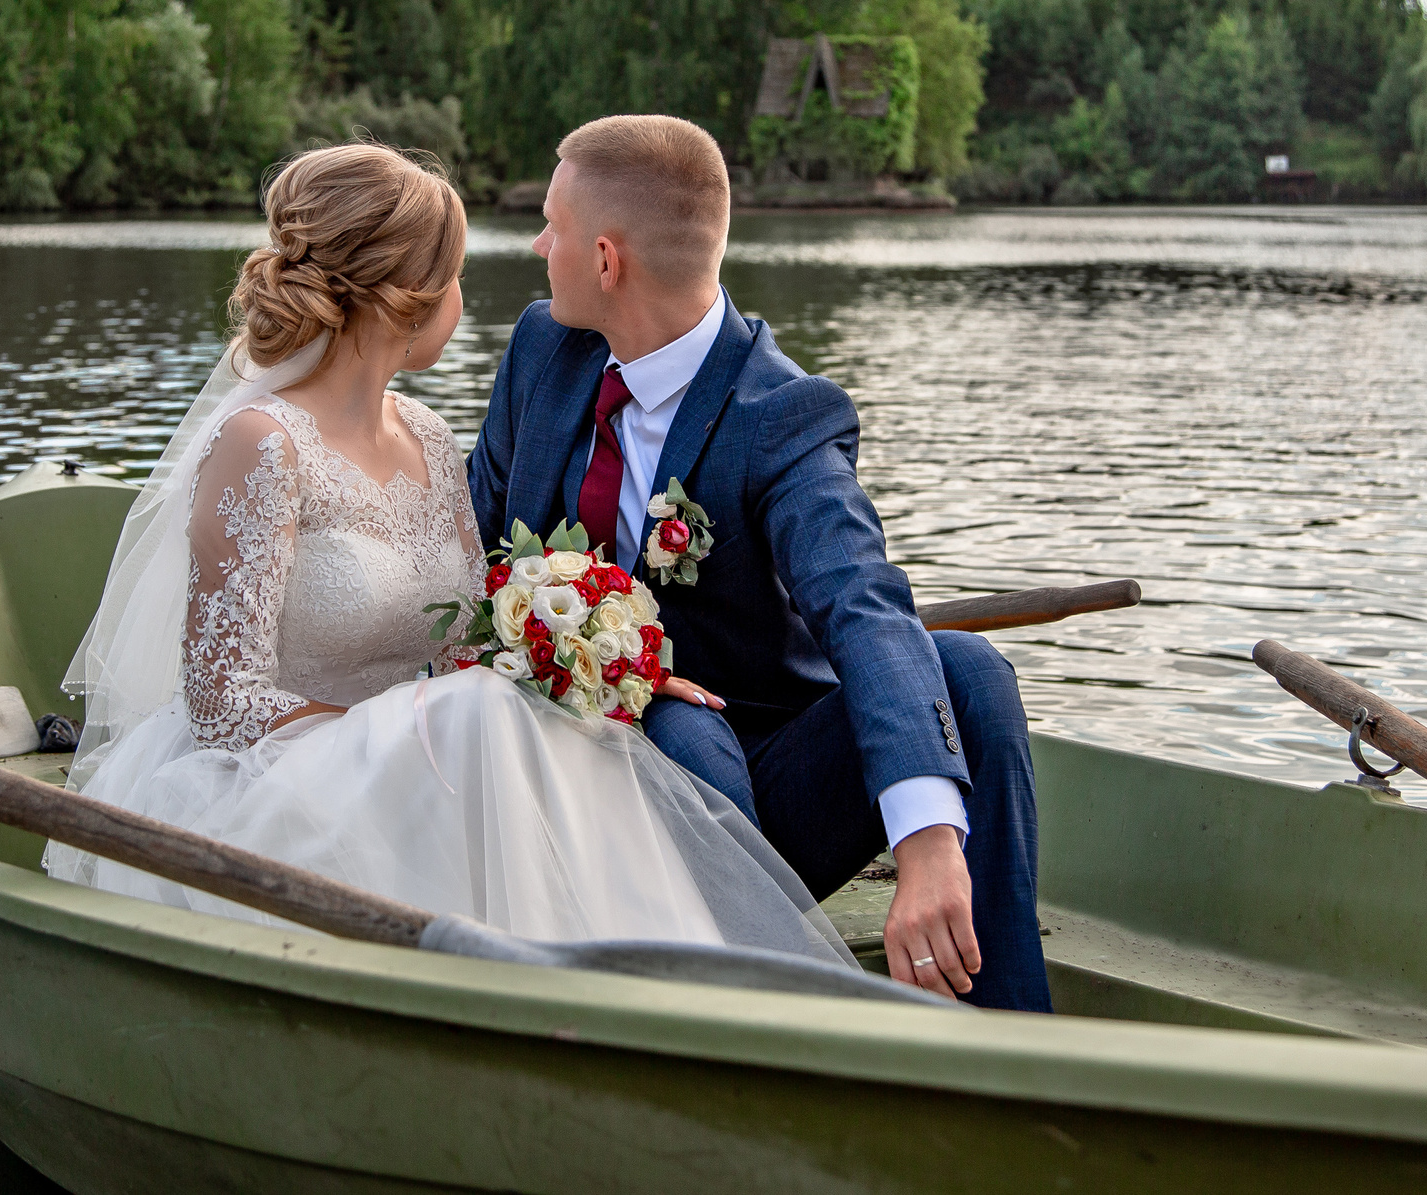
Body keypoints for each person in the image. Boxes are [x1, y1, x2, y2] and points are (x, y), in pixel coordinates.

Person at [44, 143, 852, 967]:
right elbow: (221, 701)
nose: (470, 296)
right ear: (405, 294)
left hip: (425, 764)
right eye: (458, 272)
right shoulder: (260, 445)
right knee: (477, 719)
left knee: (539, 732)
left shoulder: (428, 437)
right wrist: (400, 733)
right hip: (275, 786)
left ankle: (676, 981)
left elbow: (471, 639)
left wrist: (612, 671)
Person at [467, 115, 1052, 1009]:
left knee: (967, 671)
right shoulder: (544, 350)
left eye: (552, 225)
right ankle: (745, 1013)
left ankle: (1008, 1023)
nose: (539, 244)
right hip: (560, 787)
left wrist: (928, 842)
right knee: (676, 725)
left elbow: (863, 600)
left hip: (751, 801)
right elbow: (473, 559)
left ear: (606, 259)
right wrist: (602, 670)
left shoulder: (780, 413)